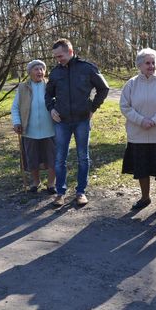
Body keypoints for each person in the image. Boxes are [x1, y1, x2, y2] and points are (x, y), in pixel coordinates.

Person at [45, 39, 109, 207]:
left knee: (83, 157)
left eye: (60, 55)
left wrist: (93, 108)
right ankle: (60, 193)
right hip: (62, 121)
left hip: (82, 120)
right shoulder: (55, 73)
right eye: (56, 57)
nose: (58, 59)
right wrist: (51, 109)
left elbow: (104, 88)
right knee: (59, 159)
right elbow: (48, 95)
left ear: (70, 51)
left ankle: (81, 192)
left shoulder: (87, 68)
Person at [120, 48, 156, 214]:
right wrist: (141, 120)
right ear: (139, 65)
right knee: (142, 169)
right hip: (138, 135)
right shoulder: (130, 84)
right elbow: (125, 106)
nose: (151, 66)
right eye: (147, 63)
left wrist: (154, 120)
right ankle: (145, 198)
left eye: (153, 62)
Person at [11, 60, 56, 193]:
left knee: (52, 157)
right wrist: (17, 122)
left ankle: (51, 183)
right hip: (30, 130)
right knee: (32, 158)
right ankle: (36, 182)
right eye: (36, 69)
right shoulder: (23, 87)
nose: (39, 72)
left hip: (50, 129)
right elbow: (15, 107)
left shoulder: (51, 86)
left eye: (42, 69)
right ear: (29, 72)